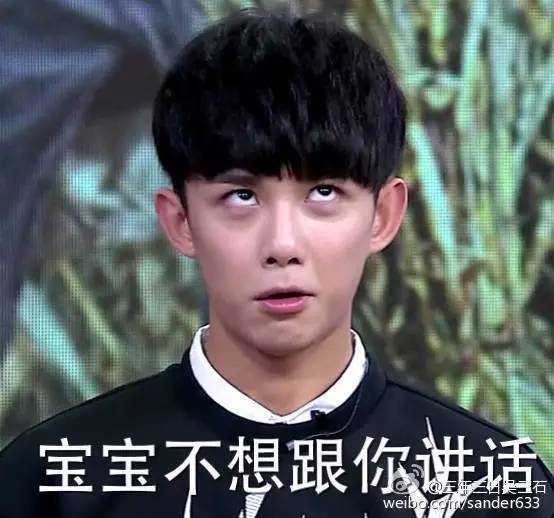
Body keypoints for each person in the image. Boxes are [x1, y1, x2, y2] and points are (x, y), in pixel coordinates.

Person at [0, 8, 552, 518]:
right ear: (180, 221)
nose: (282, 244)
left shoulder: (489, 485)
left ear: (383, 216)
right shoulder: (52, 483)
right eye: (241, 197)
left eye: (324, 193)